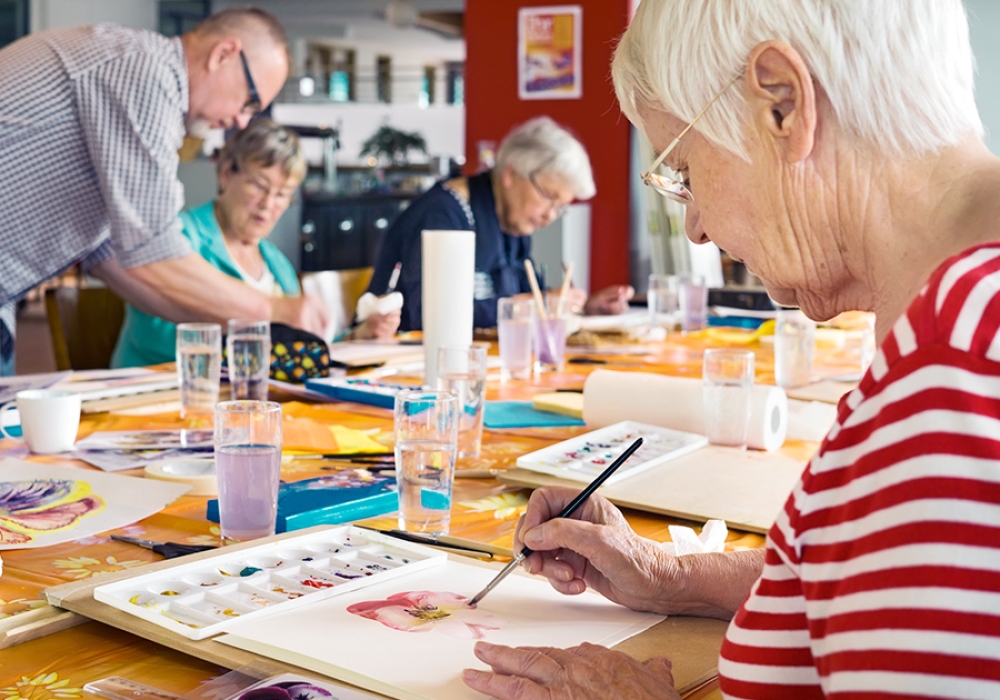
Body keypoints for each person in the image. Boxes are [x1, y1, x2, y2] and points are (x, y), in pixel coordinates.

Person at [461, 1, 1000, 698]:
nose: (694, 227)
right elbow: (875, 575)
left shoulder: (951, 380)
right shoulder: (958, 326)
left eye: (684, 169)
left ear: (782, 103)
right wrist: (671, 576)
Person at [0, 8, 327, 374]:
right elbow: (152, 253)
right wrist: (270, 310)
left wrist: (255, 319)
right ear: (223, 55)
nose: (242, 120)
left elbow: (113, 257)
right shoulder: (145, 72)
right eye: (250, 101)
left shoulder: (137, 79)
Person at [111, 119, 400, 368]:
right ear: (226, 174)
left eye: (282, 194)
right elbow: (155, 332)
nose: (268, 204)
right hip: (162, 402)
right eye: (259, 186)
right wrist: (265, 319)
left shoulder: (276, 263)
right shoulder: (178, 238)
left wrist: (356, 338)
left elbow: (297, 344)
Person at [366, 117, 635, 331]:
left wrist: (580, 306)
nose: (550, 215)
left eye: (560, 207)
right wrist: (527, 305)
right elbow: (424, 314)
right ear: (511, 174)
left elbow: (527, 297)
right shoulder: (442, 216)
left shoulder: (511, 221)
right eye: (549, 197)